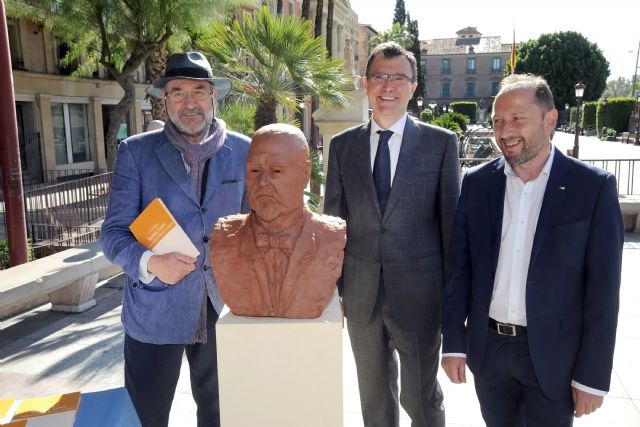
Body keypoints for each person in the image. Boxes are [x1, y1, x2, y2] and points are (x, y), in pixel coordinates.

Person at [441, 74, 623, 427]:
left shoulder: (593, 188)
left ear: (549, 120)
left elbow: (603, 293)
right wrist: (454, 343)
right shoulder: (477, 184)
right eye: (497, 120)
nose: (504, 130)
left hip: (555, 356)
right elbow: (459, 271)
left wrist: (592, 376)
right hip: (489, 351)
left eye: (517, 119)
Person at [100, 51, 249, 427]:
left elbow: (257, 228)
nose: (189, 102)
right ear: (164, 100)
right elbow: (113, 233)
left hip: (222, 309)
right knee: (146, 416)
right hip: (154, 311)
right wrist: (151, 263)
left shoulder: (245, 151)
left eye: (198, 91)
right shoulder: (136, 152)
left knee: (221, 415)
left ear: (214, 96)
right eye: (177, 92)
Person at [324, 41, 461, 427]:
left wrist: (453, 302)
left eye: (398, 77)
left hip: (420, 296)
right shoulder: (343, 146)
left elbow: (452, 228)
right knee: (374, 397)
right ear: (366, 84)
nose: (388, 86)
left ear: (413, 87)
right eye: (380, 76)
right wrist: (336, 291)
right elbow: (333, 223)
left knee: (422, 399)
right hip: (361, 296)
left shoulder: (440, 144)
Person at [211, 124, 346, 318]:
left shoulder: (331, 237)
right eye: (255, 171)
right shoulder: (224, 237)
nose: (263, 181)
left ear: (305, 173)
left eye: (276, 171)